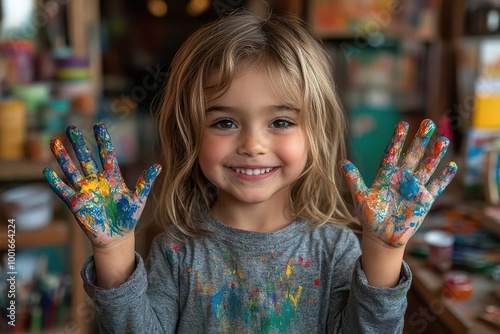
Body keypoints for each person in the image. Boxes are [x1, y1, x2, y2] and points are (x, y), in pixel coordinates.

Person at [43, 10, 458, 334]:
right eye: (224, 122)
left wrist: (384, 251)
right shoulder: (176, 251)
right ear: (190, 133)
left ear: (317, 132)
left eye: (280, 122)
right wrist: (113, 253)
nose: (253, 144)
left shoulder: (336, 252)